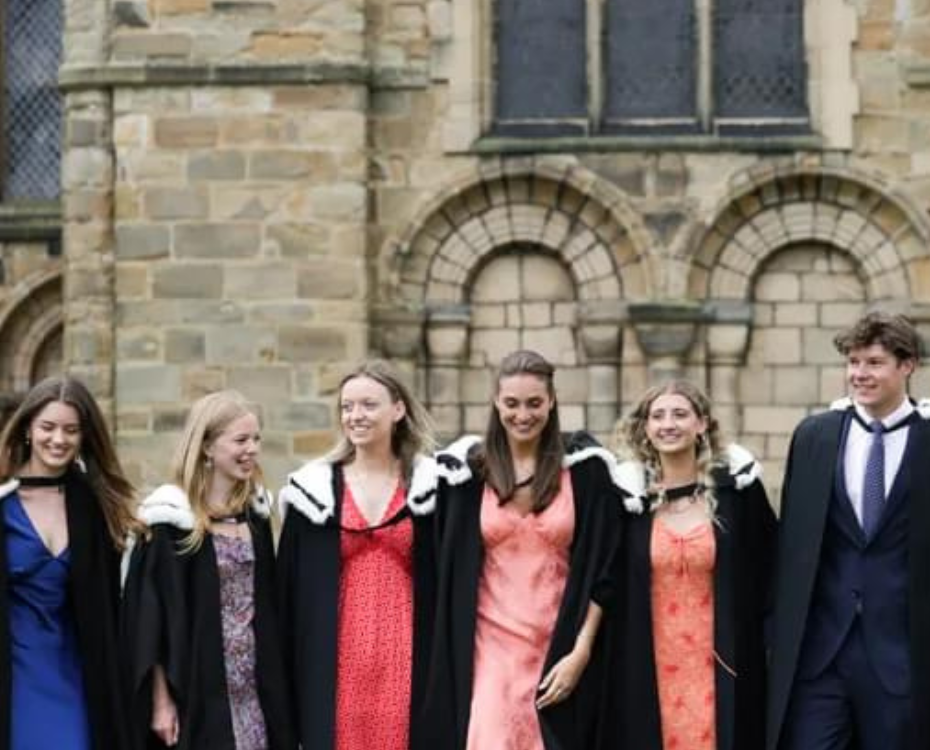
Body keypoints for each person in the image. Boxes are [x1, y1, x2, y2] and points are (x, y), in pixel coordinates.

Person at [424, 349, 621, 750]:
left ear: (551, 401)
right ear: (496, 402)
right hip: (488, 647)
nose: (523, 414)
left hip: (559, 642)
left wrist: (581, 652)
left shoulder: (585, 472)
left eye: (534, 403)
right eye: (511, 403)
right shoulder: (466, 476)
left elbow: (605, 569)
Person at [767, 311, 930, 750]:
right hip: (820, 658)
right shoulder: (815, 437)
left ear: (908, 365)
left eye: (874, 363)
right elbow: (793, 547)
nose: (860, 374)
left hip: (903, 661)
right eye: (853, 363)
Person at [602, 380, 776, 750]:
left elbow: (771, 570)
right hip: (649, 658)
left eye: (680, 414)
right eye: (658, 416)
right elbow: (605, 579)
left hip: (721, 659)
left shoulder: (737, 493)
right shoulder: (628, 503)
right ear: (646, 429)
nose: (669, 424)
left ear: (702, 424)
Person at [277, 360, 437, 750]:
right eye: (347, 407)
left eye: (368, 405)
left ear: (398, 410)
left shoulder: (431, 484)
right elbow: (287, 594)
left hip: (407, 653)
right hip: (337, 658)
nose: (355, 416)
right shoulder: (313, 490)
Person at [122, 390, 293, 750]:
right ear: (207, 447)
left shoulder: (256, 515)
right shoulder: (170, 522)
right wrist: (161, 702)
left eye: (256, 439)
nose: (252, 449)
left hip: (255, 687)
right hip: (199, 685)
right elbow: (152, 622)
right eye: (241, 440)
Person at [0, 374, 138, 750]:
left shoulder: (95, 506)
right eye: (48, 427)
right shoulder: (3, 502)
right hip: (14, 674)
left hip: (77, 672)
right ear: (28, 427)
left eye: (71, 430)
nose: (58, 440)